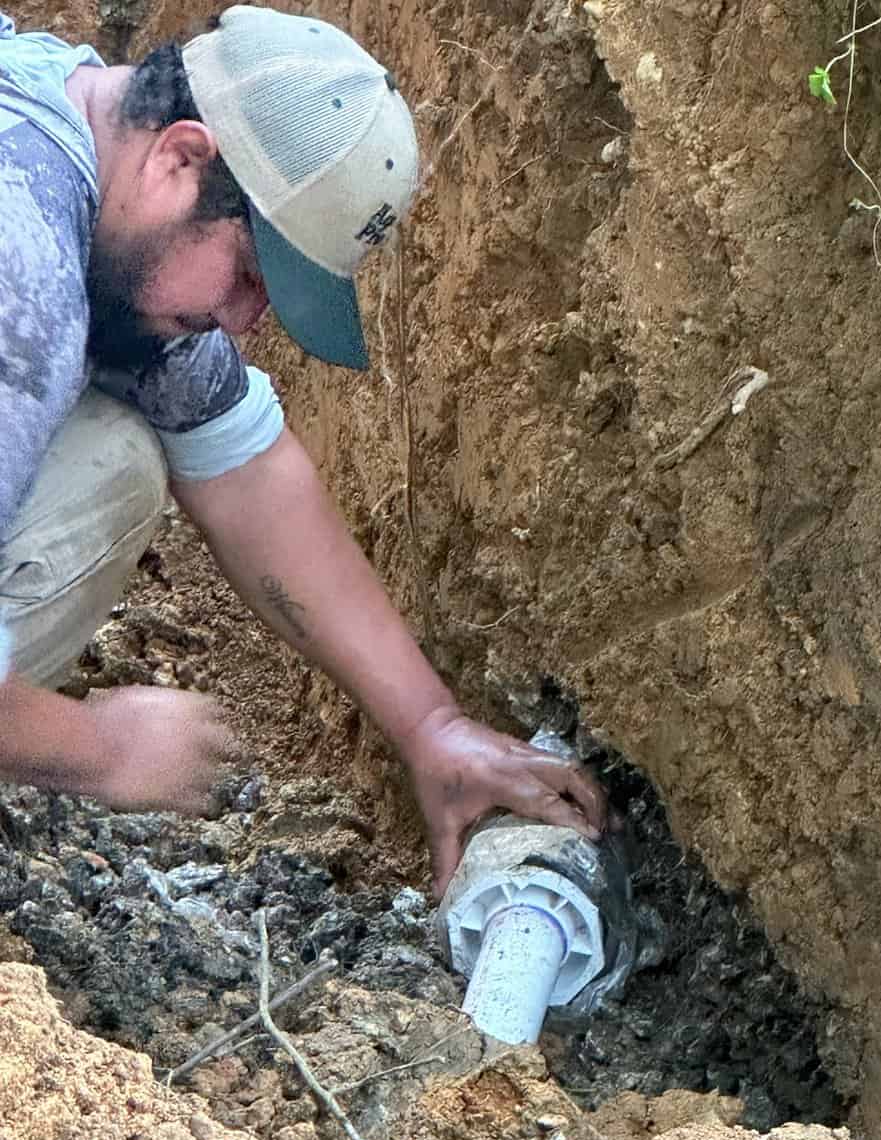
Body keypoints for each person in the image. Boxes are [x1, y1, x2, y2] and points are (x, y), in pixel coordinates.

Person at [0, 3, 606, 894]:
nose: (246, 319)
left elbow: (248, 473)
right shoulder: (25, 276)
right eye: (248, 273)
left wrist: (431, 726)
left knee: (124, 442)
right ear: (182, 155)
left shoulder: (66, 109)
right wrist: (94, 749)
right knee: (114, 467)